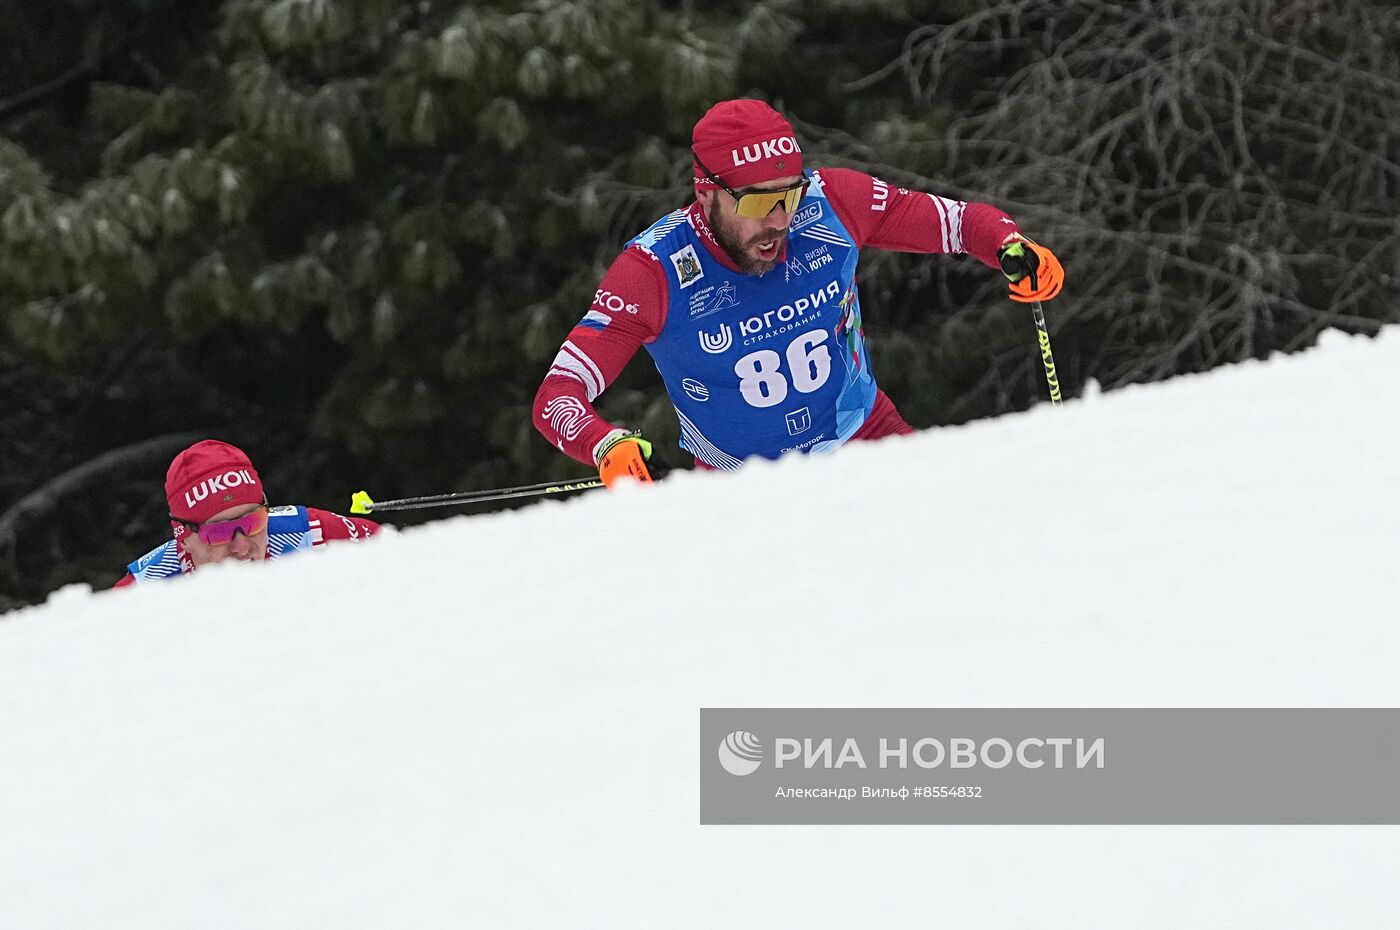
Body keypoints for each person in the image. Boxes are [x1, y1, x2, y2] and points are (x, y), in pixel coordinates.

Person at [532, 98, 1065, 485]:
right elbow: (558, 394)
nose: (780, 220)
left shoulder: (831, 203)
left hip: (867, 436)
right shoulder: (654, 271)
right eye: (758, 204)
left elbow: (955, 222)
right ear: (705, 193)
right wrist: (605, 445)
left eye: (789, 195)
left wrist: (1009, 244)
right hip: (742, 485)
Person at [114, 439, 380, 587]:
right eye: (219, 532)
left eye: (253, 521)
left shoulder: (311, 534)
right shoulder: (146, 588)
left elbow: (405, 557)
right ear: (182, 536)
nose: (241, 546)